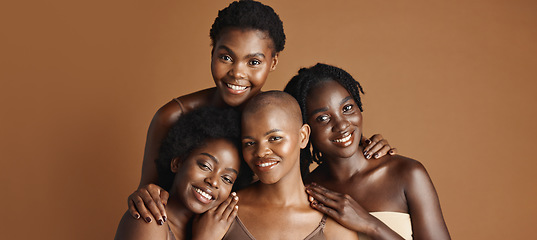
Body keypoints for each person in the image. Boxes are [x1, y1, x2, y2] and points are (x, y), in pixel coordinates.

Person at [128, 0, 395, 225]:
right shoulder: (173, 116)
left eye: (253, 61)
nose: (238, 73)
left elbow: (326, 144)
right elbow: (150, 192)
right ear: (213, 52)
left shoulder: (280, 113)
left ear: (273, 61)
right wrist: (143, 195)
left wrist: (365, 147)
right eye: (226, 57)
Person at [284, 63, 451, 239]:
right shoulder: (307, 191)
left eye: (347, 108)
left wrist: (369, 224)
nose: (342, 125)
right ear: (304, 130)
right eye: (323, 118)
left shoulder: (407, 174)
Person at [223, 91, 359, 240]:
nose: (261, 152)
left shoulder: (335, 228)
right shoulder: (224, 214)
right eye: (250, 143)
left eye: (275, 138)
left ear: (303, 136)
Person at [115, 107, 247, 240]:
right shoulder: (149, 220)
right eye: (205, 166)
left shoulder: (216, 230)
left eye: (227, 179)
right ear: (177, 163)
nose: (213, 181)